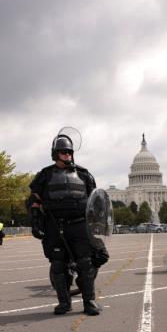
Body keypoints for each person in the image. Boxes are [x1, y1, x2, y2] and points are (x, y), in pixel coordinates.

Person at [27, 132, 109, 316]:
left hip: (79, 225)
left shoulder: (84, 174)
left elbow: (95, 202)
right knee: (58, 265)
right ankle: (64, 303)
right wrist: (35, 222)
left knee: (86, 263)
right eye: (63, 152)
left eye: (69, 152)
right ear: (55, 154)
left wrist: (97, 226)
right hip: (54, 226)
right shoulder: (44, 175)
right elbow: (34, 200)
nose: (67, 155)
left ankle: (89, 302)